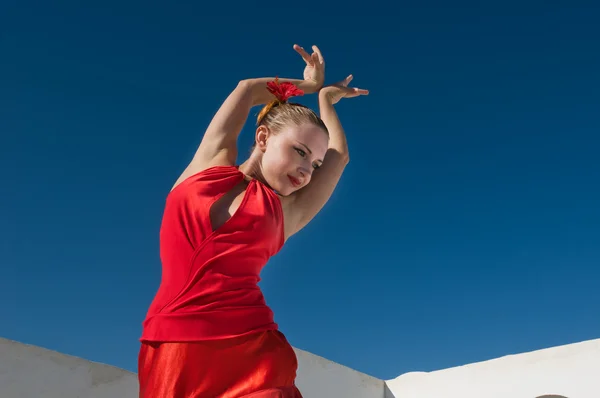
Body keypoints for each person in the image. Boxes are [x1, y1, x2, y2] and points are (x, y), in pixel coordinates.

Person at [137, 44, 368, 398]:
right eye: (300, 152)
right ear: (262, 138)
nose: (307, 170)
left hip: (253, 354)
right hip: (169, 348)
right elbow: (246, 90)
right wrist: (305, 87)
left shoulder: (285, 213)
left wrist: (326, 100)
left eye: (314, 165)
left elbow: (341, 157)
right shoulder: (206, 167)